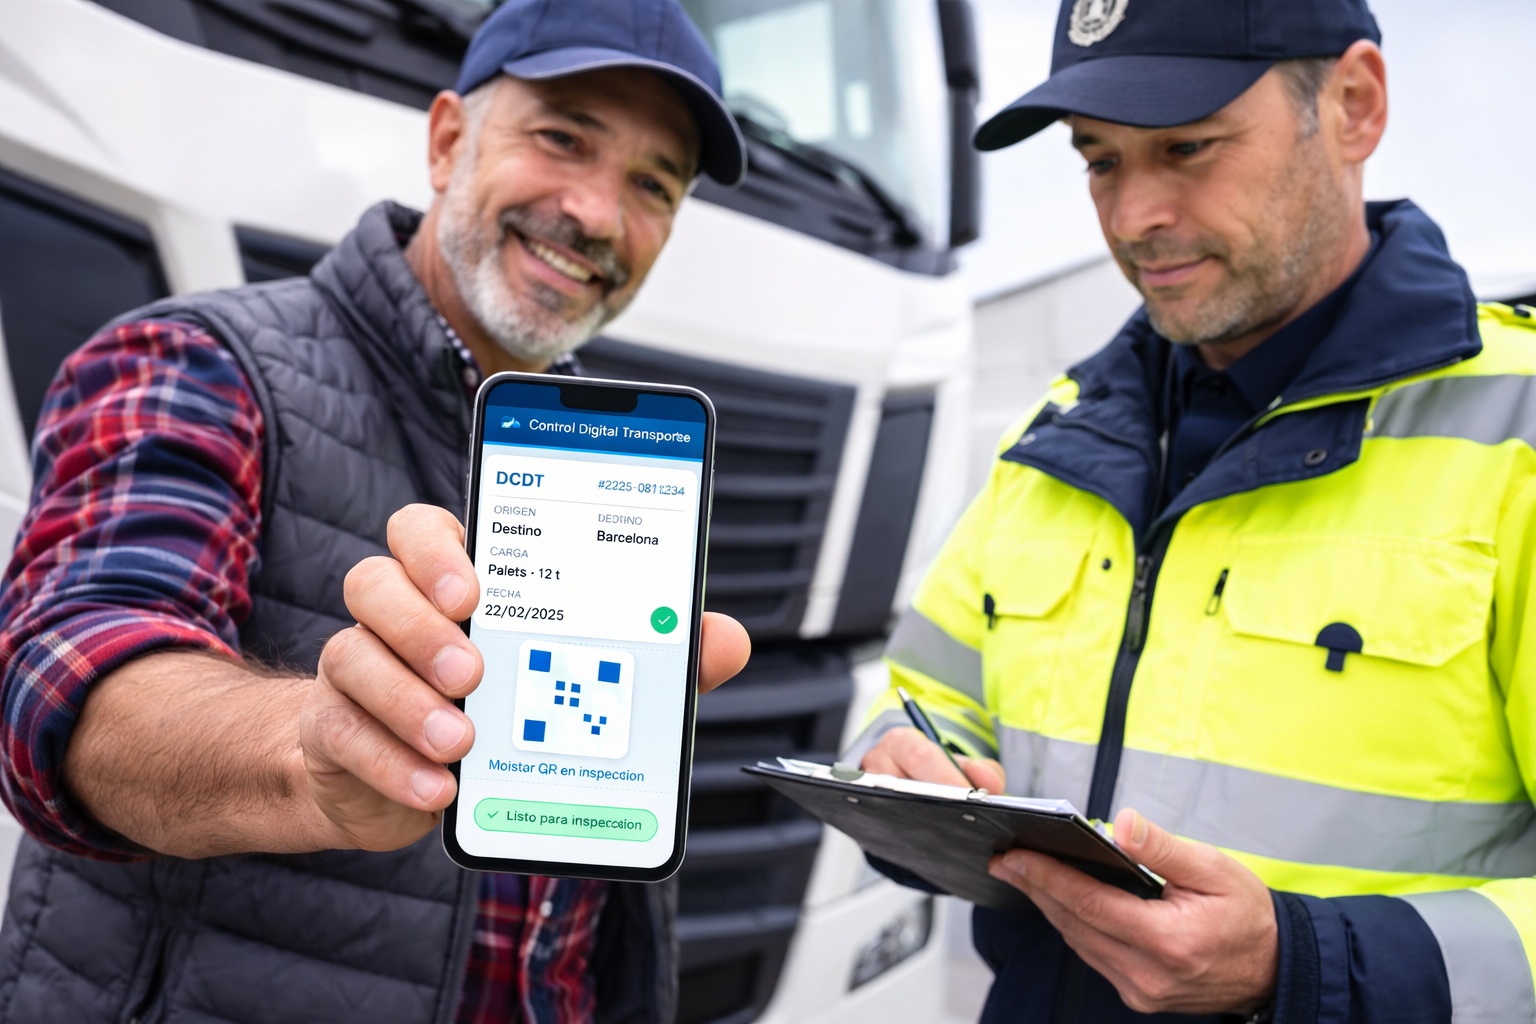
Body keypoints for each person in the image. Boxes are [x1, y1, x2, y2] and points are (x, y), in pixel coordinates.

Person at [0, 0, 752, 1021]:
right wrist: (307, 750)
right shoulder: (200, 362)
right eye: (563, 136)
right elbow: (67, 677)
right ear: (449, 141)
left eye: (654, 185)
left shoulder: (611, 469)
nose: (599, 213)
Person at [847, 0, 1536, 1020]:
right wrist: (903, 774)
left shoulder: (1516, 430)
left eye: (1188, 147)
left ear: (1352, 105)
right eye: (1101, 160)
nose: (1133, 218)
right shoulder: (1056, 435)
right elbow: (923, 697)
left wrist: (1300, 965)